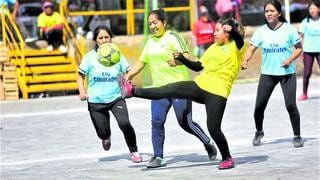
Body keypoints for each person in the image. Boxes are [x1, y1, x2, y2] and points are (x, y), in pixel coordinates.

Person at [119, 16, 246, 170]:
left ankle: (227, 157)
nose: (214, 34)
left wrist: (232, 29)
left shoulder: (237, 47)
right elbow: (198, 66)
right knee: (169, 89)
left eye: (218, 30)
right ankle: (132, 91)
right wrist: (181, 59)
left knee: (213, 127)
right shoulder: (212, 48)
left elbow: (239, 40)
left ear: (227, 33)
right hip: (200, 85)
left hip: (218, 92)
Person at [123, 8, 217, 168]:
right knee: (157, 122)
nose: (152, 26)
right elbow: (141, 63)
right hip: (160, 89)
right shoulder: (150, 43)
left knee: (185, 123)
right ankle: (158, 157)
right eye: (150, 24)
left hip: (180, 88)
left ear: (164, 23)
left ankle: (207, 142)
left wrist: (178, 61)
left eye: (155, 22)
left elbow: (188, 58)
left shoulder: (173, 37)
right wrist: (127, 77)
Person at [241, 0, 304, 148]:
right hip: (268, 73)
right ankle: (259, 131)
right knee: (259, 106)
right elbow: (251, 48)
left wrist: (289, 60)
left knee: (290, 105)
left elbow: (299, 49)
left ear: (279, 13)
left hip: (287, 72)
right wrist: (245, 60)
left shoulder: (289, 29)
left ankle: (297, 135)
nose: (269, 13)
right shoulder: (261, 31)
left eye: (272, 11)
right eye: (266, 11)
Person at [76, 25, 143, 163]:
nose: (104, 40)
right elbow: (80, 76)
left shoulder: (117, 55)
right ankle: (106, 137)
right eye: (101, 37)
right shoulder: (89, 57)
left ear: (111, 38)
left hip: (116, 97)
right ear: (96, 40)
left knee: (125, 123)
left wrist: (127, 83)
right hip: (96, 101)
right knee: (103, 133)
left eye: (107, 37)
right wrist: (82, 91)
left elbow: (127, 72)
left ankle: (134, 151)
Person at [298, 1, 320, 101]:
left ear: (318, 9)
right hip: (308, 51)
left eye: (314, 8)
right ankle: (304, 93)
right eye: (310, 8)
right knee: (307, 73)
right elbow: (299, 37)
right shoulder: (305, 22)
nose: (312, 10)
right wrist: (299, 50)